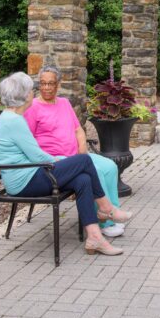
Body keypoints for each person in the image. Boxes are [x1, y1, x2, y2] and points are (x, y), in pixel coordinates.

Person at [0, 72, 132, 256]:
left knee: (82, 179)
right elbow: (38, 156)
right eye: (32, 89)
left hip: (31, 173)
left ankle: (94, 238)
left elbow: (35, 155)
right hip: (24, 181)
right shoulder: (14, 121)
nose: (34, 93)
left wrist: (65, 162)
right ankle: (106, 208)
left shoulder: (12, 118)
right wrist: (64, 161)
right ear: (25, 95)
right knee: (83, 160)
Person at [23, 65, 125, 238]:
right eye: (43, 83)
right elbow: (29, 141)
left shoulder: (64, 103)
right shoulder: (33, 107)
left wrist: (83, 151)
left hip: (77, 155)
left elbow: (78, 129)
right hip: (56, 159)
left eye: (51, 83)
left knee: (109, 167)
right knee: (97, 172)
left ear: (58, 84)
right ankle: (104, 222)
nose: (47, 87)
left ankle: (111, 212)